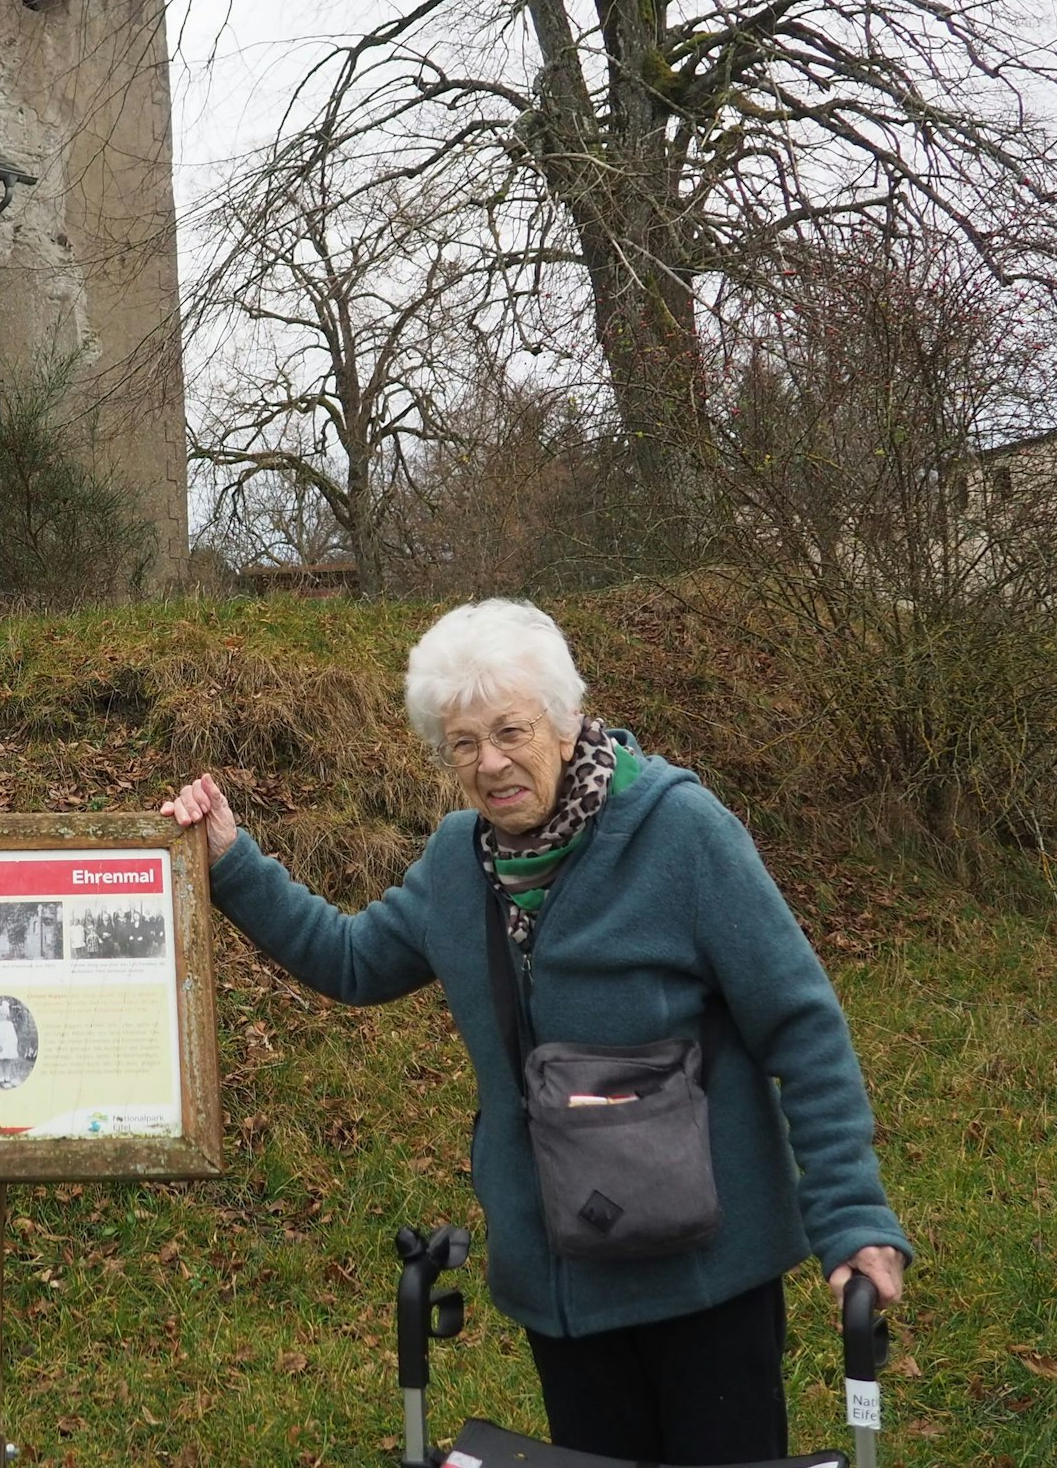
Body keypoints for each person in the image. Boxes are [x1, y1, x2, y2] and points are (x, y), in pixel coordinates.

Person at [163, 597, 909, 1467]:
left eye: (510, 731)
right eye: (464, 745)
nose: (491, 764)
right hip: (565, 1283)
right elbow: (352, 960)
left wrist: (852, 1213)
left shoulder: (681, 835)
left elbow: (803, 1027)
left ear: (564, 721)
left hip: (707, 1273)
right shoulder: (456, 864)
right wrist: (232, 861)